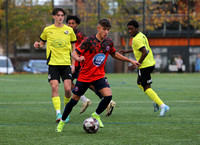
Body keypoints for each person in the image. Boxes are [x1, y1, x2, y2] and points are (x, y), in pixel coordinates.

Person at [56, 18, 140, 132]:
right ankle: (62, 122)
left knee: (108, 96)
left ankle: (96, 115)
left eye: (108, 30)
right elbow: (74, 52)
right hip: (85, 76)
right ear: (98, 28)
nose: (106, 32)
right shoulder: (89, 41)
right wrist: (78, 58)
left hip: (99, 76)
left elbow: (114, 54)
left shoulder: (108, 42)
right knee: (73, 101)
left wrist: (130, 61)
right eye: (104, 29)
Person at [66, 15, 116, 116]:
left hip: (80, 64)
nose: (71, 25)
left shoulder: (80, 35)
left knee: (73, 84)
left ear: (77, 24)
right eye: (69, 23)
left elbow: (81, 48)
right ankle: (93, 100)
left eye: (73, 23)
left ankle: (96, 100)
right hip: (75, 61)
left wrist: (74, 63)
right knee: (85, 84)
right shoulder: (67, 33)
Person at [33, 8, 77, 123]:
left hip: (66, 63)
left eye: (62, 15)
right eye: (58, 15)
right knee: (54, 86)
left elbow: (74, 48)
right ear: (53, 17)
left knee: (68, 89)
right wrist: (38, 45)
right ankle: (58, 113)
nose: (60, 17)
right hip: (53, 64)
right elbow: (42, 43)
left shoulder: (69, 30)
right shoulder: (47, 30)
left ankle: (66, 112)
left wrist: (73, 63)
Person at [119, 20, 169, 117]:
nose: (129, 31)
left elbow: (144, 52)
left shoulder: (136, 39)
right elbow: (138, 48)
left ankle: (163, 106)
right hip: (150, 63)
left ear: (136, 28)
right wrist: (126, 51)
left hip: (145, 66)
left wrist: (136, 64)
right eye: (128, 29)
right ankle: (156, 101)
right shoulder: (140, 35)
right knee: (139, 83)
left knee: (146, 88)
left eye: (131, 29)